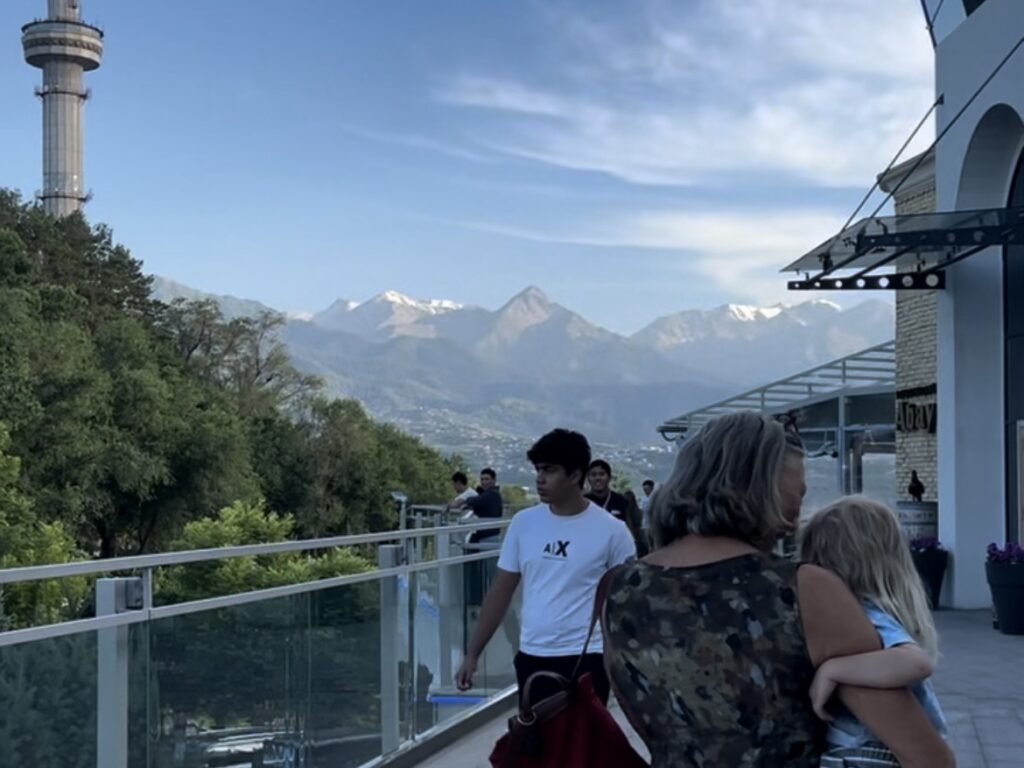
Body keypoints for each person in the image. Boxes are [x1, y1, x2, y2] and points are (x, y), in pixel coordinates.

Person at [602, 412, 954, 768]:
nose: (801, 501)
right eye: (799, 487)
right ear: (761, 483)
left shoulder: (618, 590)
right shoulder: (807, 589)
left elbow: (652, 724)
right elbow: (927, 757)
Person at [454, 429, 635, 705]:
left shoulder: (613, 532)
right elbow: (501, 591)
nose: (540, 478)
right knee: (535, 745)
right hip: (532, 654)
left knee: (582, 747)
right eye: (538, 469)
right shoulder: (523, 524)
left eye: (549, 470)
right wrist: (473, 653)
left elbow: (626, 603)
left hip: (588, 655)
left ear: (575, 476)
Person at [799, 497, 948, 767]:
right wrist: (834, 670)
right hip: (870, 753)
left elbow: (915, 664)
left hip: (855, 752)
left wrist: (834, 669)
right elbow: (917, 662)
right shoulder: (866, 613)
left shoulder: (856, 614)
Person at [451, 468, 503, 543]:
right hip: (487, 533)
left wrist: (466, 502)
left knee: (468, 545)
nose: (484, 482)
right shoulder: (491, 494)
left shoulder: (492, 494)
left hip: (487, 536)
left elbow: (476, 500)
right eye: (482, 479)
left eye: (487, 479)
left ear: (494, 480)